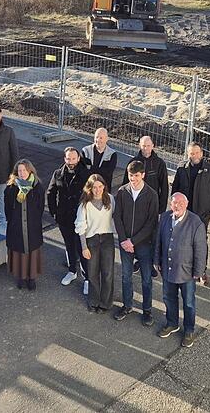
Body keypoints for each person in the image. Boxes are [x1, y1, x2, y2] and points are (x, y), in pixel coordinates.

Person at [154, 192, 207, 348]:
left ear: (186, 204)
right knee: (168, 298)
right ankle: (172, 323)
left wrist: (199, 271)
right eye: (174, 203)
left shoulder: (196, 223)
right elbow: (159, 241)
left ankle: (189, 330)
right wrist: (156, 260)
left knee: (189, 302)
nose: (177, 206)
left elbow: (200, 250)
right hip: (168, 269)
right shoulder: (164, 217)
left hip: (187, 272)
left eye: (180, 203)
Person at [113, 161, 159, 325]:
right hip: (125, 243)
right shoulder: (122, 192)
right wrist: (125, 240)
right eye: (131, 176)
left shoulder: (151, 195)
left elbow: (151, 222)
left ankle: (147, 310)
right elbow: (117, 217)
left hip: (144, 244)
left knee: (146, 278)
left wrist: (134, 240)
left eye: (136, 176)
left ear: (143, 175)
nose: (133, 179)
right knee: (126, 276)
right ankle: (127, 306)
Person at [171, 143, 210, 286]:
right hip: (184, 212)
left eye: (197, 153)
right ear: (188, 154)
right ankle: (183, 268)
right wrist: (175, 208)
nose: (194, 156)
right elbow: (175, 189)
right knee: (181, 240)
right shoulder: (182, 168)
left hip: (201, 214)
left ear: (202, 153)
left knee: (200, 243)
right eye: (191, 153)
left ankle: (201, 271)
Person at [122, 135, 169, 276]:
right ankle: (137, 261)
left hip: (153, 208)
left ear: (153, 146)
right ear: (139, 146)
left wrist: (161, 209)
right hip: (136, 207)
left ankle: (150, 264)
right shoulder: (132, 162)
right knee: (137, 234)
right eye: (143, 145)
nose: (146, 148)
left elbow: (164, 188)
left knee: (152, 236)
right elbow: (126, 185)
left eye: (148, 145)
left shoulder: (159, 163)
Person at [46, 147, 91, 286]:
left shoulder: (86, 174)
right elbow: (50, 193)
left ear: (78, 158)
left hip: (80, 219)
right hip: (64, 217)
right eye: (68, 159)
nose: (71, 161)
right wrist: (54, 213)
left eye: (73, 158)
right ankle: (72, 271)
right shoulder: (58, 174)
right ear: (64, 159)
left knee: (82, 247)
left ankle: (87, 278)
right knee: (69, 245)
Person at [74, 174, 116, 313]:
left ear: (104, 186)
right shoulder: (85, 205)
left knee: (107, 273)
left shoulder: (110, 199)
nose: (97, 190)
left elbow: (115, 217)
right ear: (89, 189)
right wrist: (84, 247)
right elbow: (81, 227)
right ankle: (93, 301)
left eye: (100, 186)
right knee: (92, 273)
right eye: (94, 187)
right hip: (91, 241)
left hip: (107, 239)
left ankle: (105, 303)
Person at [4, 159, 45, 291]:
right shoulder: (11, 188)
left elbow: (40, 208)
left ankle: (31, 278)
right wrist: (13, 222)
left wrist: (34, 221)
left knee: (32, 251)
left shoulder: (37, 187)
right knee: (18, 251)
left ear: (30, 171)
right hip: (16, 226)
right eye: (19, 171)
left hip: (32, 226)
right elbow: (8, 209)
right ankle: (20, 277)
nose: (22, 173)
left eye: (24, 170)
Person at [81, 127, 118, 192]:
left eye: (101, 138)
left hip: (104, 190)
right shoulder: (85, 151)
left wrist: (91, 169)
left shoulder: (112, 154)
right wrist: (99, 170)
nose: (98, 140)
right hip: (88, 189)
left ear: (107, 139)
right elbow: (82, 171)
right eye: (96, 137)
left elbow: (108, 173)